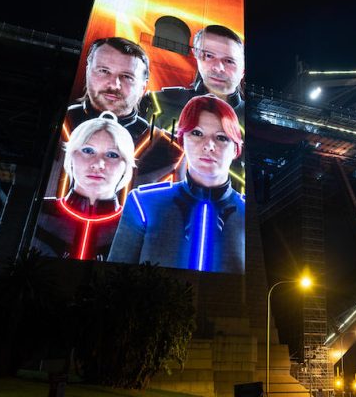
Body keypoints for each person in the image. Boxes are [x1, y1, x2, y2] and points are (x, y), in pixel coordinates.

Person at [108, 95, 244, 272]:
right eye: (197, 133)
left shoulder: (246, 213)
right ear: (182, 140)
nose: (209, 145)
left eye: (221, 137)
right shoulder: (143, 203)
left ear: (235, 149)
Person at [47, 37, 182, 197]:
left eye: (127, 76)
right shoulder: (53, 123)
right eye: (104, 71)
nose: (113, 84)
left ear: (143, 87)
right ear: (88, 72)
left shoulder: (169, 150)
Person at [32, 113, 135, 260]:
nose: (98, 164)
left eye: (112, 155)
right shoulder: (37, 210)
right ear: (71, 156)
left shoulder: (135, 226)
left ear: (126, 165)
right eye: (88, 151)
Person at [145, 25, 245, 131]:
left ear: (243, 69)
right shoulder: (159, 103)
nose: (218, 68)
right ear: (195, 55)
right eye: (209, 56)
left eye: (229, 61)